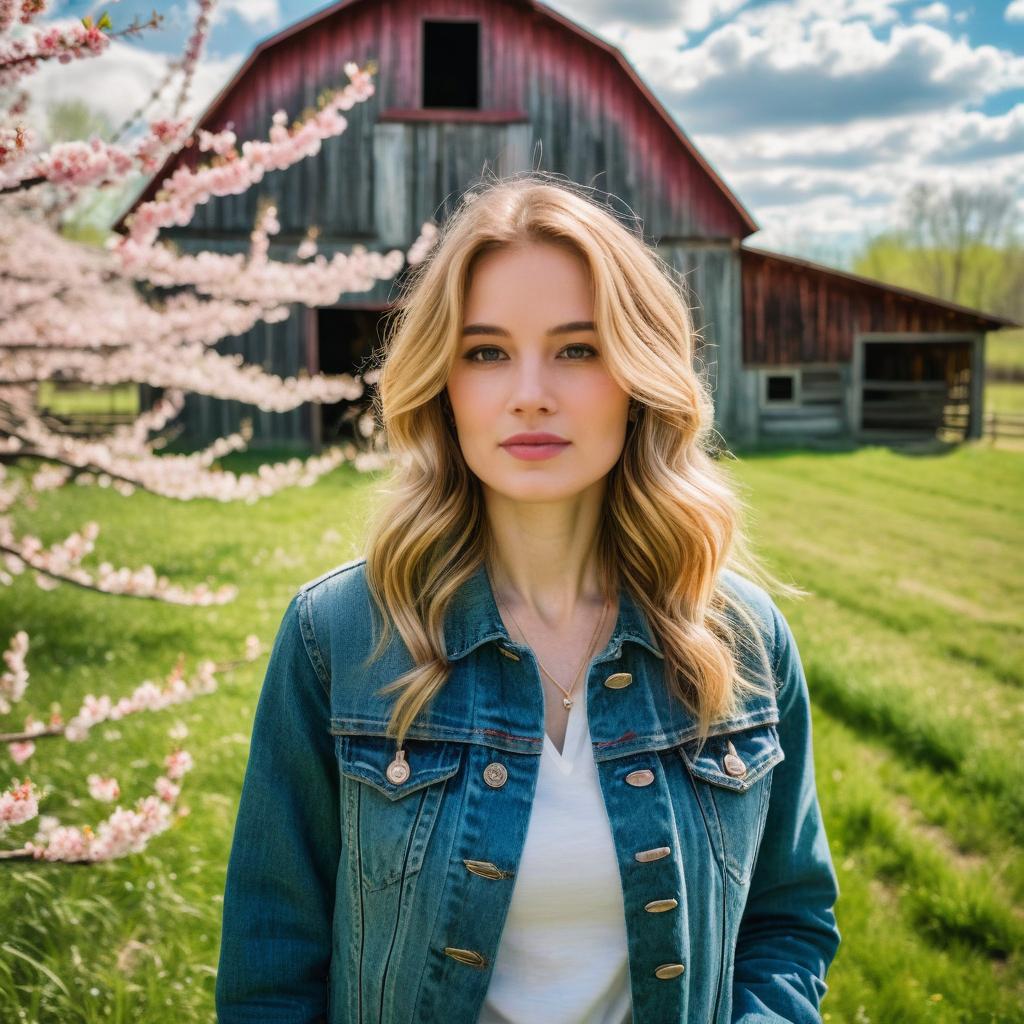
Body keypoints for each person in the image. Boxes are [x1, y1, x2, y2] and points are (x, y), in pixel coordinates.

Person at [214, 172, 841, 1024]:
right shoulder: (339, 637)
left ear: (638, 374)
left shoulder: (739, 639)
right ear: (444, 381)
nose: (530, 391)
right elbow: (271, 964)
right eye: (487, 351)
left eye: (578, 348)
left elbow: (789, 920)